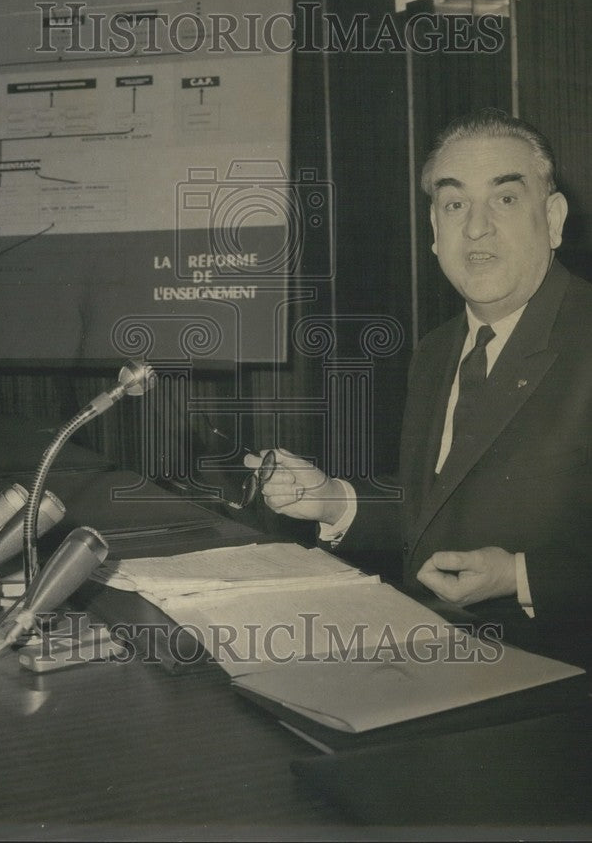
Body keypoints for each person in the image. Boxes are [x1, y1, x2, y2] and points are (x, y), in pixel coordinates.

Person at [246, 109, 592, 664]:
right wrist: (332, 500)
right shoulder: (436, 351)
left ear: (552, 219)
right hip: (434, 659)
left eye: (504, 199)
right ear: (434, 233)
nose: (476, 227)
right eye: (455, 205)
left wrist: (521, 575)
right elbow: (438, 504)